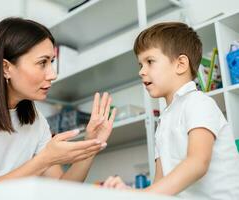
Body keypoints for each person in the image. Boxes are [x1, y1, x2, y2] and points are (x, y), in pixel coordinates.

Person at [0, 17, 116, 190]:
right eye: (42, 63)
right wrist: (44, 159)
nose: (53, 74)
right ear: (6, 68)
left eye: (51, 62)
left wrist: (91, 145)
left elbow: (61, 189)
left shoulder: (37, 123)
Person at [102, 22, 239, 199]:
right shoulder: (164, 121)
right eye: (140, 65)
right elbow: (160, 182)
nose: (141, 71)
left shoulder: (199, 103)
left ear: (181, 64)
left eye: (149, 61)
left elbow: (197, 163)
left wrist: (142, 194)